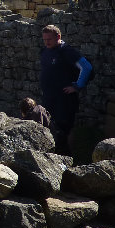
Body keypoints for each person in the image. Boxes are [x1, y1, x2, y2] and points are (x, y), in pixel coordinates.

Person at [40, 24, 92, 155]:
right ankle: (54, 155)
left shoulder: (67, 51)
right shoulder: (46, 51)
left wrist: (77, 86)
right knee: (50, 127)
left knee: (66, 129)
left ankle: (70, 157)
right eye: (44, 39)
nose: (46, 42)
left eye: (49, 39)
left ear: (58, 36)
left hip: (64, 100)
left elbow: (86, 67)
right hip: (49, 98)